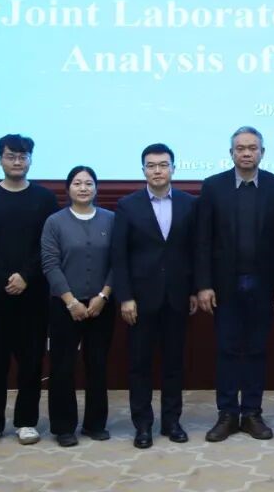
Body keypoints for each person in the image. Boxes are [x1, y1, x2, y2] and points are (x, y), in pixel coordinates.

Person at [195, 126, 274, 442]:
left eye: (252, 148)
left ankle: (251, 413)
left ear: (262, 152)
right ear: (231, 153)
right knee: (226, 349)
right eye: (240, 148)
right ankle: (226, 414)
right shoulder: (213, 186)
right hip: (224, 286)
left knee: (257, 349)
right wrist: (204, 284)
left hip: (264, 284)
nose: (246, 153)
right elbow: (203, 240)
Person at [0, 133, 58, 447]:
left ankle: (26, 421)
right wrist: (7, 277)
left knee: (31, 360)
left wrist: (25, 277)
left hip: (32, 294)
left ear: (30, 160)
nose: (17, 162)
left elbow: (47, 245)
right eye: (11, 156)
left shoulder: (45, 199)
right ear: (0, 159)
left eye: (23, 156)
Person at [110, 143, 198, 449]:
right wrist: (125, 297)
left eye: (163, 165)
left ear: (174, 168)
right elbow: (119, 255)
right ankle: (143, 425)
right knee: (140, 364)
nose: (157, 170)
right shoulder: (128, 205)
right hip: (140, 299)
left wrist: (194, 290)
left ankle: (172, 422)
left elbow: (195, 251)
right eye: (151, 165)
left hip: (177, 296)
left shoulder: (189, 203)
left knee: (174, 363)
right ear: (143, 170)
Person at [40, 165, 115, 447]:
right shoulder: (55, 222)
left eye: (89, 183)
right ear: (68, 188)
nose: (83, 188)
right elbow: (50, 263)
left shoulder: (111, 219)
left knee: (97, 364)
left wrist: (103, 296)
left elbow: (118, 262)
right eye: (77, 183)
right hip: (64, 305)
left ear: (96, 188)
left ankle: (95, 424)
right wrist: (70, 301)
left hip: (101, 305)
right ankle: (63, 427)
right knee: (62, 366)